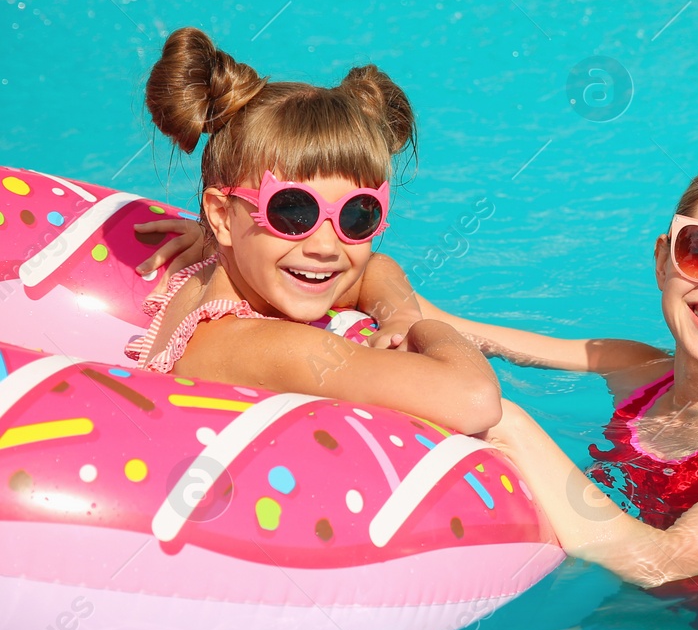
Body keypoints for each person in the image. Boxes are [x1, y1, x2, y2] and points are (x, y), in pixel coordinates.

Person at [428, 157, 698, 611]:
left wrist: (509, 426)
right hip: (648, 627)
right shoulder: (636, 371)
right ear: (662, 262)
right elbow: (452, 328)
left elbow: (667, 564)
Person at [127, 27, 500, 435]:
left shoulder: (219, 273)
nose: (326, 246)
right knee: (506, 427)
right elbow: (474, 401)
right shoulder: (261, 346)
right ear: (220, 215)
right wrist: (429, 330)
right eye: (292, 211)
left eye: (358, 215)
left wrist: (402, 314)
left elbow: (374, 268)